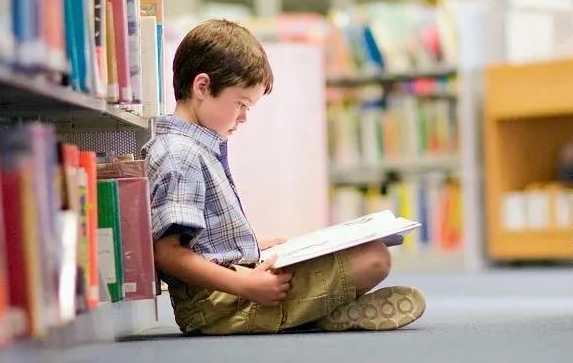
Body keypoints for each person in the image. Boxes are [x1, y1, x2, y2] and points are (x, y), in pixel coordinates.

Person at [144, 19, 425, 335]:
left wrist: (256, 246)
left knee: (352, 250)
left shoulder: (195, 146)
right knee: (374, 259)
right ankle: (318, 314)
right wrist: (246, 285)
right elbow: (167, 253)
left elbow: (201, 244)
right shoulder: (180, 154)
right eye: (241, 104)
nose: (243, 117)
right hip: (220, 304)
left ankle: (316, 312)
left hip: (234, 283)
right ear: (202, 87)